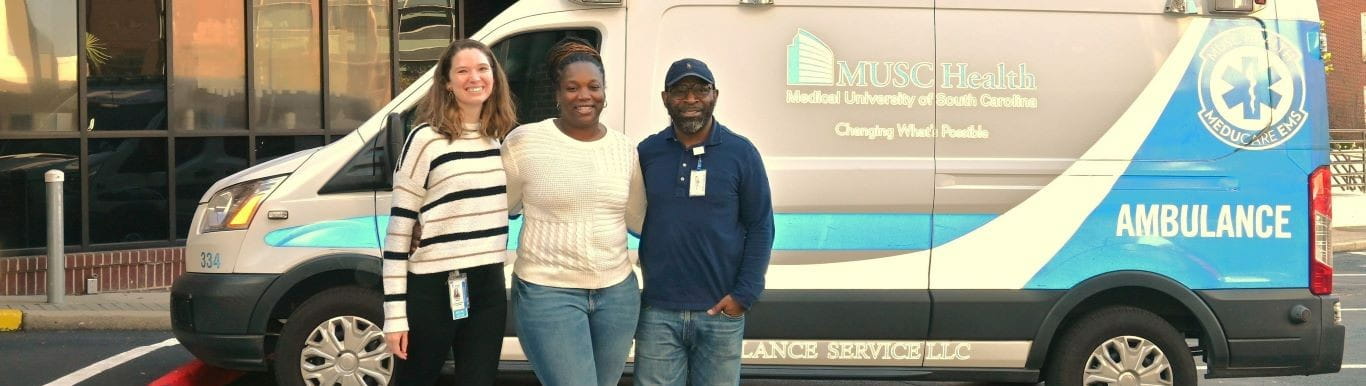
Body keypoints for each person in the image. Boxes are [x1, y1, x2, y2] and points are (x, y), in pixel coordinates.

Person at [500, 37, 646, 386]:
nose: (584, 96)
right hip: (548, 292)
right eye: (572, 87)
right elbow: (498, 205)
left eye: (593, 86)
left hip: (617, 295)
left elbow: (640, 220)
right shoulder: (524, 142)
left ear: (604, 92)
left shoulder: (625, 150)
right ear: (557, 93)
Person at [381, 39, 518, 386]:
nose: (475, 78)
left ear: (495, 77)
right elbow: (399, 233)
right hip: (433, 287)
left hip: (487, 285)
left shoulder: (496, 140)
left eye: (482, 69)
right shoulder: (424, 140)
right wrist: (395, 316)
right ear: (446, 82)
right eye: (463, 71)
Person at [632, 58, 775, 386]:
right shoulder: (647, 152)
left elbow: (760, 225)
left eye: (700, 89)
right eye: (680, 91)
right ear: (665, 98)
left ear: (715, 95)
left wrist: (744, 295)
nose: (691, 99)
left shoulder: (741, 153)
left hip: (720, 313)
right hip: (658, 312)